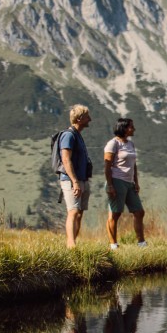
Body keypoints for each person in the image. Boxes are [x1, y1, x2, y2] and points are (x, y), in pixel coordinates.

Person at [104, 118, 146, 250]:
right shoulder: (113, 144)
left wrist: (136, 182)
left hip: (129, 183)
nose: (134, 129)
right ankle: (113, 245)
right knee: (115, 214)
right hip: (117, 181)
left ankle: (141, 243)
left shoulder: (130, 144)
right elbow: (107, 166)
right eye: (131, 127)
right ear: (124, 128)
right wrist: (110, 185)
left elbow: (134, 164)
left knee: (139, 212)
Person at [59, 105, 92, 248]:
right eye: (87, 117)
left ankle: (73, 243)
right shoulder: (69, 135)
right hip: (72, 180)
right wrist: (75, 182)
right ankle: (71, 245)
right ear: (79, 119)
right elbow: (66, 159)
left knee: (79, 213)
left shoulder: (78, 135)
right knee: (72, 211)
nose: (90, 119)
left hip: (82, 179)